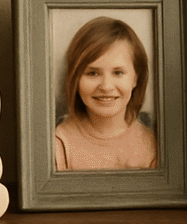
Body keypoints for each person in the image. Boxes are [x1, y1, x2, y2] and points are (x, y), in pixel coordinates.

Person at [55, 16, 158, 171]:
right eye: (92, 73)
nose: (106, 86)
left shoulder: (151, 145)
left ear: (136, 78)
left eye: (118, 73)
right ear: (75, 78)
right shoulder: (60, 141)